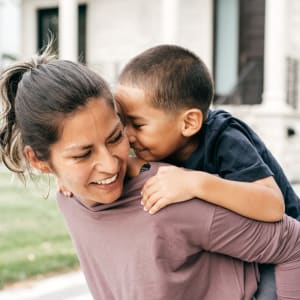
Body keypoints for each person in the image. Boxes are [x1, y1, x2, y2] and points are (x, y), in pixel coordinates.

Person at [1, 49, 300, 300]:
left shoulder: (215, 149)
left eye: (115, 137)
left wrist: (195, 182)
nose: (111, 163)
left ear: (189, 123)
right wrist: (68, 174)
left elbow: (279, 218)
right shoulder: (70, 196)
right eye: (82, 154)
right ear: (40, 161)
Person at [114, 44, 300, 299]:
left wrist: (195, 183)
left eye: (137, 124)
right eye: (123, 123)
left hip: (282, 253)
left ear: (188, 123)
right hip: (236, 249)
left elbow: (272, 205)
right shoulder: (159, 144)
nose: (128, 135)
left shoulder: (225, 138)